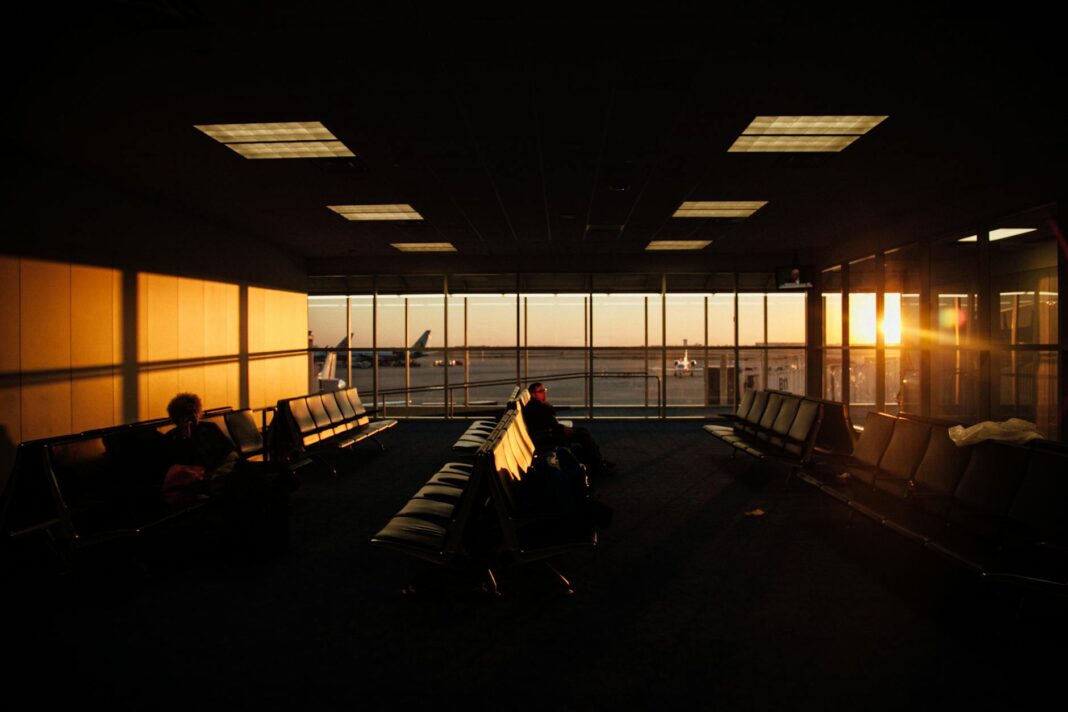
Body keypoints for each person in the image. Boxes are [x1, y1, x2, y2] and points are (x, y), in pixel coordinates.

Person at [164, 393, 291, 553]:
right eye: (187, 415)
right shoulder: (174, 439)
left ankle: (270, 516)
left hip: (226, 470)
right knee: (250, 482)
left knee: (249, 479)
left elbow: (230, 450)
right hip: (207, 478)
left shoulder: (209, 428)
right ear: (178, 418)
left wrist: (227, 464)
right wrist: (186, 437)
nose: (193, 417)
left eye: (194, 412)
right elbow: (183, 466)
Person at [522, 383, 614, 477]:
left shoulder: (536, 405)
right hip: (550, 436)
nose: (544, 394)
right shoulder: (534, 407)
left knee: (583, 432)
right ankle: (599, 464)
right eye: (540, 391)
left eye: (544, 390)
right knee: (583, 435)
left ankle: (599, 461)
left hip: (552, 432)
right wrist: (562, 429)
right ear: (533, 394)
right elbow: (547, 423)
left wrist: (546, 405)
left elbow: (549, 420)